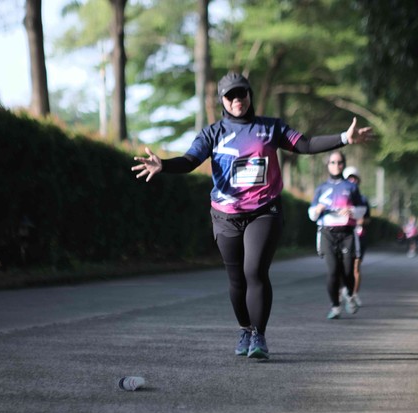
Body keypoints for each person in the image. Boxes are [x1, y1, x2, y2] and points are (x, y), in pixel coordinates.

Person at [132, 72, 373, 359]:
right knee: (236, 279)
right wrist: (164, 165)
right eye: (230, 95)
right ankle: (245, 329)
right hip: (226, 215)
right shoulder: (213, 133)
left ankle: (259, 335)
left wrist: (344, 138)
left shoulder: (270, 128)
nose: (237, 100)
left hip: (264, 211)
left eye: (241, 93)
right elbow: (190, 160)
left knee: (254, 271)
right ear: (222, 100)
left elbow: (306, 145)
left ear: (250, 95)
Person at [308, 152, 367, 319]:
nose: (336, 165)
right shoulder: (321, 188)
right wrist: (317, 209)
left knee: (348, 270)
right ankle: (335, 306)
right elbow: (312, 214)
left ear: (343, 164)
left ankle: (349, 294)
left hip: (347, 233)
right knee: (333, 270)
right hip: (327, 233)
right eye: (332, 162)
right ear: (328, 165)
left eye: (339, 162)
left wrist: (351, 211)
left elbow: (362, 209)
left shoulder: (351, 187)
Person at [341, 166, 370, 307]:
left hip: (359, 236)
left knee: (355, 267)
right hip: (342, 235)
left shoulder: (362, 199)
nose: (352, 181)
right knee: (341, 266)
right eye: (349, 178)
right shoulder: (340, 197)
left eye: (354, 178)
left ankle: (353, 294)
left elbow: (368, 218)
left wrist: (362, 221)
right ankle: (342, 292)